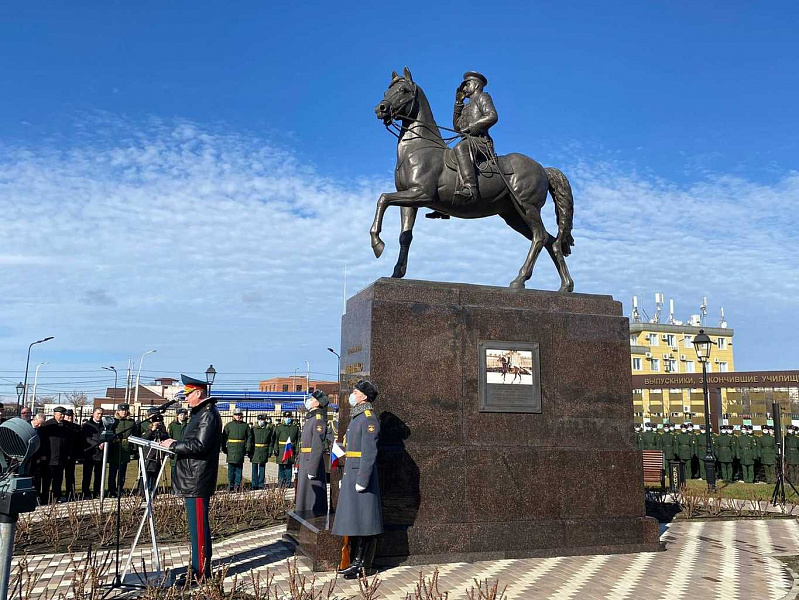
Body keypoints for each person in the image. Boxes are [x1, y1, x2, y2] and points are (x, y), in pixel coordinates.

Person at [160, 374, 221, 582]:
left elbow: (201, 446)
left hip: (197, 479)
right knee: (196, 527)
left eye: (187, 394)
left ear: (198, 393)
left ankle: (201, 572)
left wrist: (173, 445)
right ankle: (198, 565)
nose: (185, 398)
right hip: (192, 477)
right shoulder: (199, 413)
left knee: (199, 527)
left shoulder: (207, 414)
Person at [333, 380, 383, 579]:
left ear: (364, 396)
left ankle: (364, 565)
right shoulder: (357, 417)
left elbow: (369, 453)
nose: (351, 395)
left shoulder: (368, 419)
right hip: (352, 473)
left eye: (355, 392)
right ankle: (356, 561)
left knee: (366, 521)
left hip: (362, 475)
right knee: (357, 519)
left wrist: (363, 478)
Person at [451, 71, 497, 204]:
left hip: (481, 142)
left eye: (466, 85)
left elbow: (492, 116)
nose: (464, 89)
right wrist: (458, 103)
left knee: (460, 148)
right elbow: (457, 127)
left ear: (475, 85)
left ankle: (471, 189)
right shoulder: (466, 106)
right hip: (469, 142)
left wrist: (471, 127)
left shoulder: (483, 97)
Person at [296, 390, 329, 517]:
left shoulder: (318, 419)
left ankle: (312, 515)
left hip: (311, 460)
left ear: (317, 403)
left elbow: (317, 445)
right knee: (304, 492)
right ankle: (303, 513)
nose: (309, 400)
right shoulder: (311, 417)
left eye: (312, 398)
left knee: (311, 492)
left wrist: (312, 468)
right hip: (305, 458)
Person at [38, 407, 73, 503]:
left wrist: (68, 454)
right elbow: (43, 441)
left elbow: (68, 441)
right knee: (47, 479)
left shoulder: (66, 426)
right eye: (60, 414)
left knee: (58, 479)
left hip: (61, 458)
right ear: (55, 414)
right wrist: (43, 454)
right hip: (49, 457)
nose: (62, 416)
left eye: (63, 414)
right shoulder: (47, 425)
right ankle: (45, 498)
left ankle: (55, 497)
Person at [107, 403, 137, 497]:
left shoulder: (131, 422)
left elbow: (135, 434)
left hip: (126, 447)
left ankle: (120, 489)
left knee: (122, 472)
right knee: (112, 472)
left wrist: (133, 449)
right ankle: (111, 491)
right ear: (118, 411)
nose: (123, 412)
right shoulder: (114, 421)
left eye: (125, 410)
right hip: (115, 447)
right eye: (121, 410)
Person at [222, 408, 249, 492]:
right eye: (236, 415)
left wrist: (247, 448)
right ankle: (231, 485)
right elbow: (224, 438)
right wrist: (223, 448)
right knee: (231, 469)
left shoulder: (245, 426)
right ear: (233, 416)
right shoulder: (228, 425)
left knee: (239, 469)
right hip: (231, 449)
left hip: (240, 449)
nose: (238, 416)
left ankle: (237, 486)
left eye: (239, 415)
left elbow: (249, 438)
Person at [81, 408, 106, 499]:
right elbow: (86, 439)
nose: (99, 416)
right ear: (93, 414)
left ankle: (97, 492)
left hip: (101, 454)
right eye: (98, 414)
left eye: (101, 414)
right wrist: (97, 444)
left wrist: (104, 443)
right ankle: (85, 493)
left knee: (99, 475)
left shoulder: (104, 425)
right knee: (87, 474)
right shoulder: (87, 425)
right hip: (90, 453)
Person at [142, 414, 169, 494]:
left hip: (158, 456)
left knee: (155, 475)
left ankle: (153, 492)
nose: (158, 423)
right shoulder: (148, 429)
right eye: (156, 422)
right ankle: (144, 493)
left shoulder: (163, 430)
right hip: (149, 455)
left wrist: (160, 433)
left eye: (159, 422)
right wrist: (152, 430)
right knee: (146, 475)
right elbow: (144, 438)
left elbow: (166, 437)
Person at [247, 413, 273, 491]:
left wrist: (269, 451)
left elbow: (271, 441)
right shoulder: (253, 429)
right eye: (260, 420)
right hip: (255, 450)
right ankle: (254, 484)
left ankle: (261, 484)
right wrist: (249, 450)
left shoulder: (268, 429)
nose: (261, 421)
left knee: (262, 467)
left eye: (262, 420)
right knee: (254, 467)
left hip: (264, 449)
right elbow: (250, 440)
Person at [273, 411, 299, 488]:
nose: (287, 419)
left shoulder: (295, 428)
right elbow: (275, 439)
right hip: (281, 449)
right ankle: (280, 482)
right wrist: (275, 448)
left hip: (291, 449)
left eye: (289, 417)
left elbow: (298, 439)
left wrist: (297, 449)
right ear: (283, 418)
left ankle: (288, 482)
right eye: (286, 417)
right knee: (281, 466)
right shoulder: (279, 427)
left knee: (289, 466)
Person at [63, 409, 81, 500]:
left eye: (71, 416)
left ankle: (70, 494)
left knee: (70, 475)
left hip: (72, 454)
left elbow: (79, 442)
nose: (69, 417)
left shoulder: (76, 427)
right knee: (58, 476)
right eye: (67, 416)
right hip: (61, 455)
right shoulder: (61, 426)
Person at [168, 408, 189, 485]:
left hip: (185, 450)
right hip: (175, 450)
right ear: (177, 416)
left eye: (184, 415)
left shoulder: (188, 425)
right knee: (174, 470)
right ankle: (173, 487)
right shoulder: (172, 425)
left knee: (184, 471)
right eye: (180, 415)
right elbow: (169, 437)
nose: (182, 416)